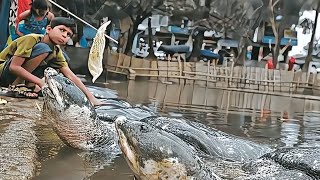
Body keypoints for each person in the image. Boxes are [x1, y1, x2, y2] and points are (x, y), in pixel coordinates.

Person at [0, 17, 101, 106]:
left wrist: (90, 98)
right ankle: (18, 86)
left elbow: (71, 75)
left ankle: (29, 86)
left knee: (57, 64)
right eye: (62, 30)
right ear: (49, 29)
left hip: (16, 75)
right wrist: (40, 82)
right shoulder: (32, 39)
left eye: (69, 34)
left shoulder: (56, 51)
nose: (65, 36)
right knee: (43, 49)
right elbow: (14, 67)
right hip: (3, 72)